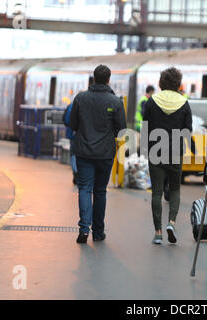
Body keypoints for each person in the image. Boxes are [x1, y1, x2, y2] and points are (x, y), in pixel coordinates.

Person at [69, 65, 127, 244]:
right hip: (105, 153)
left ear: (94, 78)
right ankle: (99, 232)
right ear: (109, 79)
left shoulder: (80, 98)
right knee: (100, 191)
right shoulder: (116, 102)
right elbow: (122, 130)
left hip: (84, 152)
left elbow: (72, 124)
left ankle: (84, 229)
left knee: (84, 189)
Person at [143, 67, 192, 245]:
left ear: (161, 83)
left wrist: (144, 149)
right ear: (178, 83)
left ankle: (157, 233)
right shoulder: (184, 103)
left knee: (156, 192)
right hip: (175, 152)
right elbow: (188, 131)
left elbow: (145, 127)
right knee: (175, 189)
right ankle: (171, 223)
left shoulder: (151, 101)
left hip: (155, 150)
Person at [62, 102, 78, 185]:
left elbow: (66, 120)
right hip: (86, 136)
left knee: (73, 153)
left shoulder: (71, 105)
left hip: (73, 134)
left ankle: (75, 171)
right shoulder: (90, 103)